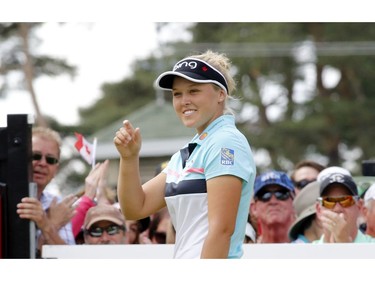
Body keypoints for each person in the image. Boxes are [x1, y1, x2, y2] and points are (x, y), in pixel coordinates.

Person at [114, 50, 256, 258]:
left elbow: (221, 231)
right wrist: (128, 158)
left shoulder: (225, 142)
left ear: (220, 94)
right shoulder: (188, 153)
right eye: (177, 94)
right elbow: (135, 208)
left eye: (194, 91)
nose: (184, 101)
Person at [16, 126, 76, 257]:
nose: (43, 163)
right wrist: (53, 224)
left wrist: (46, 224)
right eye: (35, 156)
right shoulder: (3, 196)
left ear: (56, 169)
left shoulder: (57, 205)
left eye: (50, 160)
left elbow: (69, 260)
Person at [314, 171, 375, 243]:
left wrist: (344, 243)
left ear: (359, 206)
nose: (337, 209)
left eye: (346, 200)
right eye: (329, 201)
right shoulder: (305, 252)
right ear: (319, 210)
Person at [250, 170, 296, 243]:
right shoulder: (245, 253)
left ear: (294, 203)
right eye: (264, 195)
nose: (273, 201)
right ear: (254, 208)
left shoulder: (312, 249)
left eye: (281, 194)